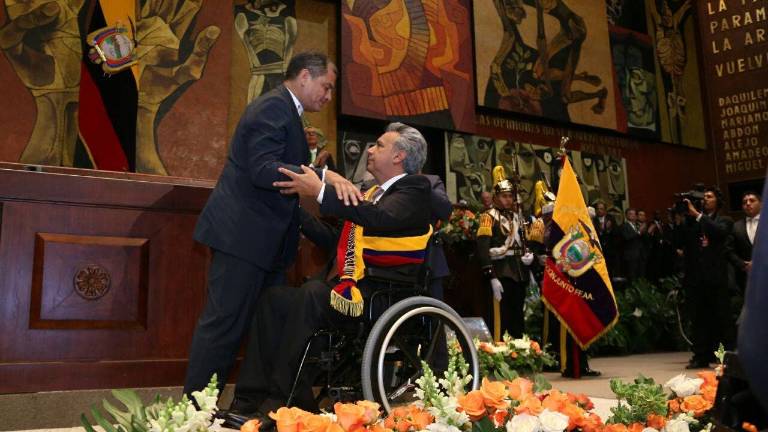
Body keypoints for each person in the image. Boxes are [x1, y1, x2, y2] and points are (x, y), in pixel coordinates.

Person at [227, 122, 433, 422]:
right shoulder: (371, 193)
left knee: (312, 293)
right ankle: (248, 400)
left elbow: (380, 218)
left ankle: (283, 404)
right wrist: (295, 212)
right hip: (351, 289)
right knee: (274, 299)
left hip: (379, 296)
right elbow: (339, 241)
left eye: (378, 145)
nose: (370, 150)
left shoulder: (415, 188)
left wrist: (322, 190)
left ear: (399, 156)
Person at [184, 52, 361, 398]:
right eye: (326, 87)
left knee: (263, 329)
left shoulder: (287, 111)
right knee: (224, 326)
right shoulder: (273, 107)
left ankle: (249, 406)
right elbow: (263, 169)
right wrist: (323, 176)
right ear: (305, 76)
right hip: (242, 239)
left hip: (264, 245)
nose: (328, 96)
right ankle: (195, 412)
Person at [476, 166, 535, 340]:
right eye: (504, 196)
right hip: (500, 272)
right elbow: (482, 248)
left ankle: (519, 348)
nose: (508, 200)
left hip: (519, 272)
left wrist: (528, 255)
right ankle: (500, 349)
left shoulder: (517, 217)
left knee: (517, 316)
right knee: (500, 316)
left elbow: (524, 242)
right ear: (495, 197)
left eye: (510, 196)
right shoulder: (488, 217)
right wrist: (491, 276)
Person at [680, 187, 734, 368]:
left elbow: (719, 232)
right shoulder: (694, 221)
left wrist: (697, 215)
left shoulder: (725, 220)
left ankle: (723, 356)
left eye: (709, 197)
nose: (705, 200)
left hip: (716, 278)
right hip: (697, 278)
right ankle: (701, 355)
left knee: (721, 318)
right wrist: (685, 218)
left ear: (718, 200)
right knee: (699, 319)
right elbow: (682, 241)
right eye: (703, 197)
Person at [729, 191, 761, 295]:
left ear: (761, 204)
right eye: (744, 202)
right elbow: (729, 250)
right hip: (745, 277)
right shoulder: (735, 226)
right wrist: (743, 265)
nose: (747, 203)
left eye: (752, 200)